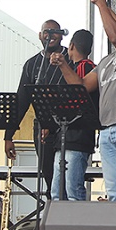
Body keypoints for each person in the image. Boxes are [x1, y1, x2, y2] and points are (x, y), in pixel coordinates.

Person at [52, 0, 116, 204]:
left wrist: (101, 5)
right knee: (115, 194)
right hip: (106, 131)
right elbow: (81, 86)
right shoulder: (105, 61)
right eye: (115, 23)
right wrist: (63, 65)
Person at [4, 20, 69, 199]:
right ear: (40, 35)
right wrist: (8, 136)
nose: (50, 35)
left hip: (67, 128)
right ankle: (52, 212)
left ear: (61, 36)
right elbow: (21, 102)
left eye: (55, 32)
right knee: (50, 178)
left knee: (68, 180)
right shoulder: (32, 64)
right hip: (42, 129)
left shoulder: (69, 58)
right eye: (46, 31)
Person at [47, 29, 98, 201]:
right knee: (56, 191)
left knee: (73, 190)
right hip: (65, 135)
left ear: (71, 46)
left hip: (78, 136)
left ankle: (79, 219)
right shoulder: (75, 67)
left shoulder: (86, 66)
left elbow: (79, 92)